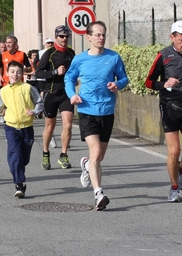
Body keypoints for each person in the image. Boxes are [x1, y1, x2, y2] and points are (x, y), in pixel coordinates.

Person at [65, 21, 129, 210]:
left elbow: (124, 78)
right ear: (89, 37)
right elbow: (69, 78)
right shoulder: (79, 59)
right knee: (96, 153)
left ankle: (86, 164)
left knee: (99, 157)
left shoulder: (114, 57)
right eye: (97, 35)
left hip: (107, 111)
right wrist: (72, 95)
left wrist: (118, 85)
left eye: (103, 35)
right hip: (86, 110)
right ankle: (98, 193)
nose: (101, 38)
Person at [145, 20, 182, 202]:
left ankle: (181, 168)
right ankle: (174, 188)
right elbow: (149, 81)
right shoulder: (163, 55)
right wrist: (164, 84)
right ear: (172, 37)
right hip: (169, 107)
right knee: (174, 151)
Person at [0, 61, 43, 198]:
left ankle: (19, 172)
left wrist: (35, 111)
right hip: (11, 126)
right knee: (15, 155)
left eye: (18, 72)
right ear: (7, 73)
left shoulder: (28, 88)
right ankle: (19, 184)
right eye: (12, 72)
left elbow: (39, 102)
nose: (15, 74)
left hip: (27, 127)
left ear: (22, 74)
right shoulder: (4, 91)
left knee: (24, 158)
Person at [35, 25, 75, 170]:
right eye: (61, 36)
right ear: (56, 37)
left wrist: (75, 78)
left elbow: (75, 70)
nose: (64, 39)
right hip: (51, 93)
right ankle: (46, 153)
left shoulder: (71, 53)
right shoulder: (49, 54)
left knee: (68, 124)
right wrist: (54, 72)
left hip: (66, 94)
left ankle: (63, 154)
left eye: (66, 36)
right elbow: (38, 73)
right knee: (50, 127)